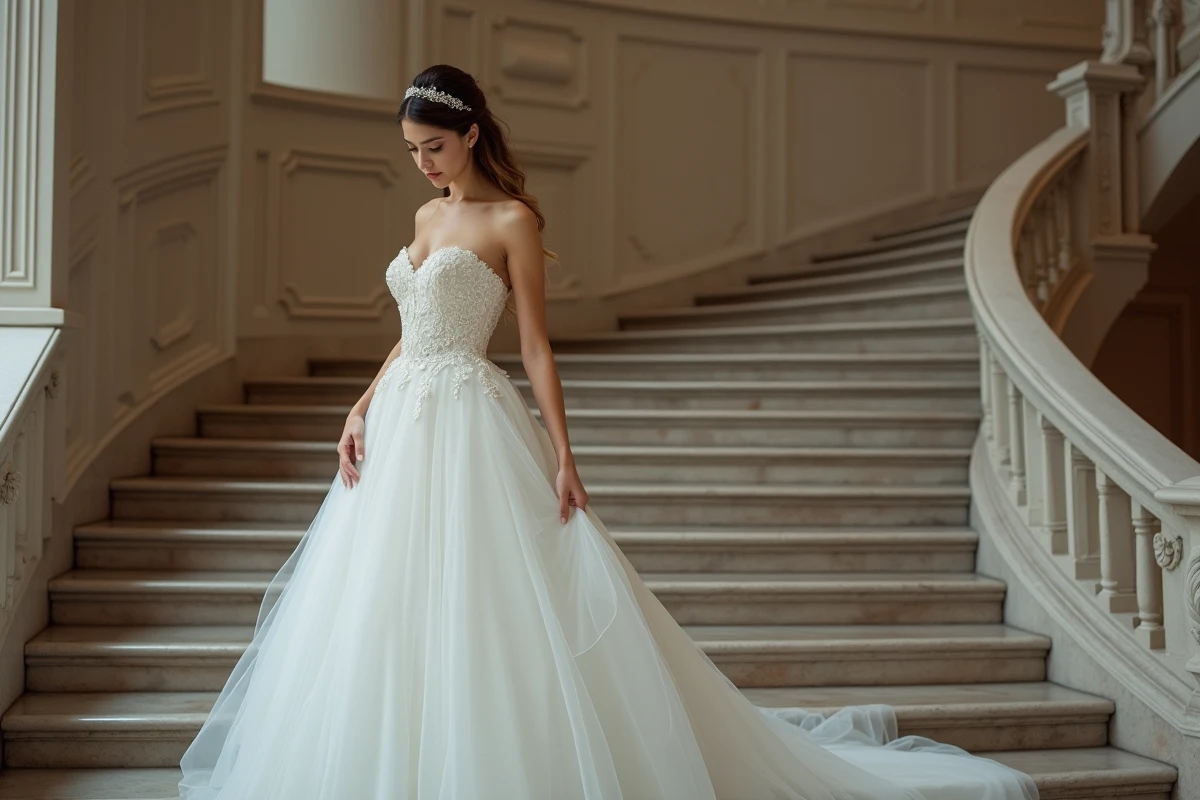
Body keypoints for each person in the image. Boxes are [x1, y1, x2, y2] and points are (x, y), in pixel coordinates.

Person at [177, 64, 1039, 800]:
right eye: (411, 151)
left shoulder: (512, 221)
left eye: (432, 148)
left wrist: (563, 456)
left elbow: (536, 348)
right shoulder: (424, 220)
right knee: (380, 600)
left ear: (470, 134)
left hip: (470, 422)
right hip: (404, 418)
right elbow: (412, 331)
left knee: (485, 597)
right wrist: (362, 404)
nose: (422, 165)